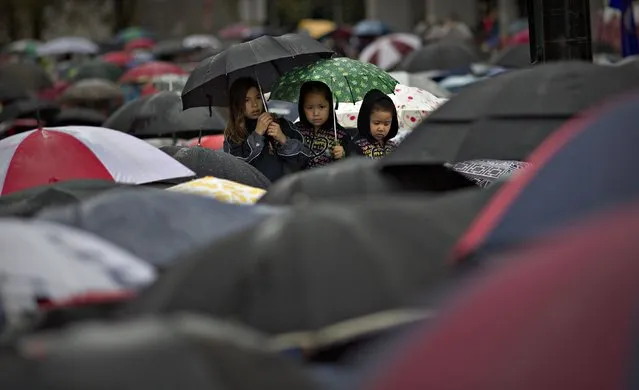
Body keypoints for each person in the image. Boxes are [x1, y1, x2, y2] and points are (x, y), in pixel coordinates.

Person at [223, 77, 309, 182]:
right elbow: (235, 167)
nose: (254, 105)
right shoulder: (234, 134)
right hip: (255, 194)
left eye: (258, 97)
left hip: (285, 190)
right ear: (237, 104)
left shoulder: (281, 124)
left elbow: (304, 157)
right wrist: (257, 134)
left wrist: (283, 139)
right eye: (247, 100)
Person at [296, 81, 352, 169]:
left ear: (329, 106)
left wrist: (344, 154)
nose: (316, 113)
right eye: (310, 107)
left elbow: (352, 163)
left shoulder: (341, 135)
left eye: (321, 107)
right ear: (302, 108)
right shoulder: (296, 131)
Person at [351, 89, 399, 159]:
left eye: (386, 124)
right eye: (377, 123)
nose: (381, 128)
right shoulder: (356, 147)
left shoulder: (393, 146)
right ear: (366, 121)